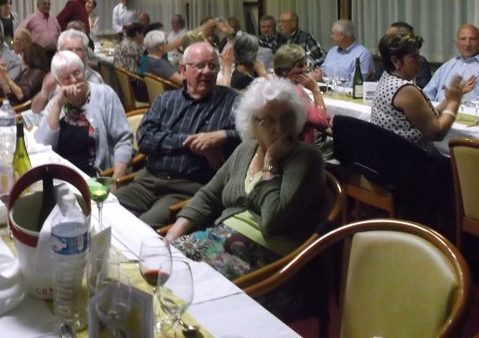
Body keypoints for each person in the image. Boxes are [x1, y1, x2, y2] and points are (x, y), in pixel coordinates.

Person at [166, 78, 326, 318]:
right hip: (222, 239)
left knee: (190, 288)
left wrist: (271, 164)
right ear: (252, 122)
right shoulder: (246, 149)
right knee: (166, 262)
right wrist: (173, 234)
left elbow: (273, 220)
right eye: (269, 120)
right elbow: (209, 195)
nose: (280, 128)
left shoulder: (306, 158)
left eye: (286, 118)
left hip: (269, 262)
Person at [115, 42, 240, 227]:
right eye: (200, 65)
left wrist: (222, 136)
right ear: (183, 70)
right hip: (148, 181)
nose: (207, 71)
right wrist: (188, 142)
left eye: (213, 66)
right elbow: (144, 138)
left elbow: (253, 136)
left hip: (186, 189)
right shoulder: (167, 99)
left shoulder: (231, 101)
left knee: (141, 228)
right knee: (104, 209)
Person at [35, 51, 133, 178]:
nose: (73, 80)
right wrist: (58, 104)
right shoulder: (56, 102)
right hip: (62, 176)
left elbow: (123, 140)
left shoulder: (105, 95)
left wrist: (116, 179)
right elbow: (43, 145)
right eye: (66, 78)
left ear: (84, 71)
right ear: (59, 82)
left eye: (77, 73)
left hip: (96, 178)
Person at [372, 32, 467, 154]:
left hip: (389, 156)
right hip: (411, 160)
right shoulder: (405, 90)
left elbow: (425, 117)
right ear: (396, 61)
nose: (420, 61)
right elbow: (437, 133)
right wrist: (454, 103)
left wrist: (449, 99)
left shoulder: (387, 78)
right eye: (414, 57)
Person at [423, 24, 479, 104]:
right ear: (456, 43)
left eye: (472, 39)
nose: (467, 44)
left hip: (470, 113)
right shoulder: (448, 66)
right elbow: (426, 96)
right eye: (463, 39)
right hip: (438, 112)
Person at [30, 29, 104, 113]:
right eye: (69, 50)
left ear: (85, 53)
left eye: (79, 49)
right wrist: (44, 93)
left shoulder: (94, 79)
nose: (74, 54)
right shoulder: (54, 76)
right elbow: (35, 110)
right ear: (59, 53)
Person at [273, 45, 331, 144]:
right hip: (302, 149)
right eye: (300, 66)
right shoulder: (294, 93)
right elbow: (322, 122)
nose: (305, 69)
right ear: (284, 70)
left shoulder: (272, 87)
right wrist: (315, 90)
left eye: (305, 64)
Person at [370, 21, 432, 87]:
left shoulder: (418, 62)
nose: (387, 41)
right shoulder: (388, 62)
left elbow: (422, 88)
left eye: (391, 38)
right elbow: (373, 82)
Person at [317, 19, 374, 86]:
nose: (331, 37)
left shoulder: (362, 54)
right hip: (325, 90)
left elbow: (355, 84)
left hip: (346, 92)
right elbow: (322, 71)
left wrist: (325, 82)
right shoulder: (332, 51)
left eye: (333, 34)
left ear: (342, 36)